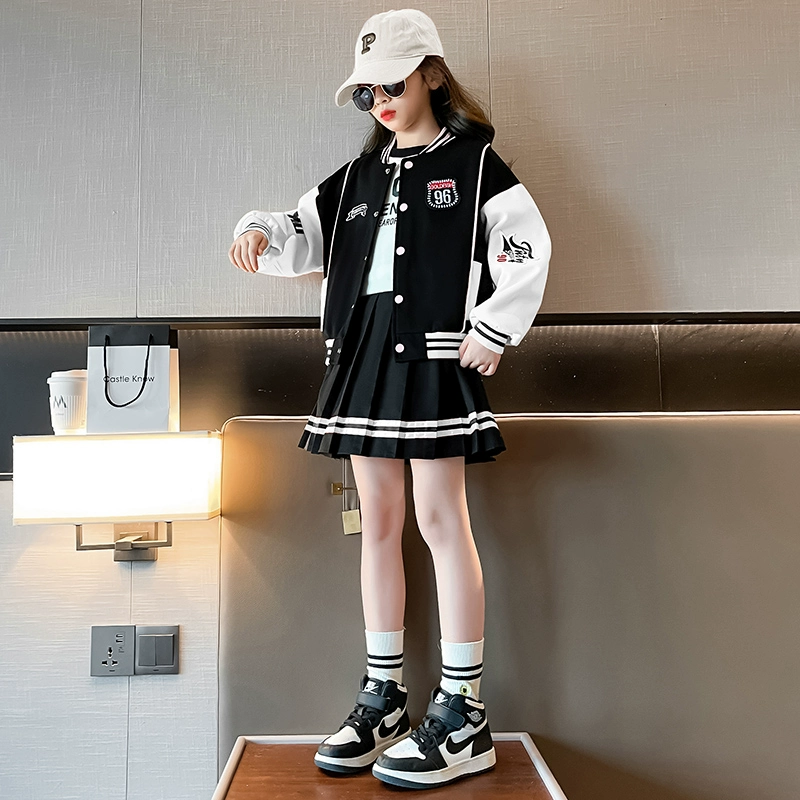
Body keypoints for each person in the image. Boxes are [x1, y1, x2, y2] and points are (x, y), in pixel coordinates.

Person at [228, 8, 551, 790]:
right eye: (366, 91)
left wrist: (495, 328)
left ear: (432, 75)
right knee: (376, 522)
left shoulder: (473, 164)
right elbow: (297, 230)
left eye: (392, 85)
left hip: (434, 357)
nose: (379, 101)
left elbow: (525, 246)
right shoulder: (355, 179)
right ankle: (386, 698)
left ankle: (463, 710)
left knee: (441, 520)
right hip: (362, 357)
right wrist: (257, 230)